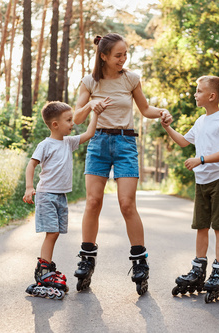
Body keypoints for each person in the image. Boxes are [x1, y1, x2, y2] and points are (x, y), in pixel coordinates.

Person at [72, 33, 172, 295]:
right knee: (93, 201)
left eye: (125, 54)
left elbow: (146, 109)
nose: (123, 59)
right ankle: (87, 257)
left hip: (126, 143)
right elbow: (76, 117)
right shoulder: (89, 81)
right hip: (98, 143)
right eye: (118, 55)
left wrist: (162, 112)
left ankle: (140, 262)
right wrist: (92, 103)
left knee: (127, 204)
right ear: (103, 56)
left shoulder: (131, 79)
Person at [162, 75, 219, 303]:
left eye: (198, 90)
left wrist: (201, 159)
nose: (195, 94)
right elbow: (184, 142)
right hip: (201, 182)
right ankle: (198, 270)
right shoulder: (200, 121)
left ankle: (218, 272)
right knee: (201, 226)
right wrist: (167, 127)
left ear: (211, 96)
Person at [23, 101, 99, 299]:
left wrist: (95, 113)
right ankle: (43, 270)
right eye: (68, 120)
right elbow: (31, 165)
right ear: (55, 124)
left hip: (61, 196)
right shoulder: (45, 145)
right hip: (46, 194)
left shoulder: (68, 142)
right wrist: (29, 187)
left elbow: (89, 134)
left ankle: (45, 267)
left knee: (55, 233)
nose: (72, 123)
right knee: (52, 232)